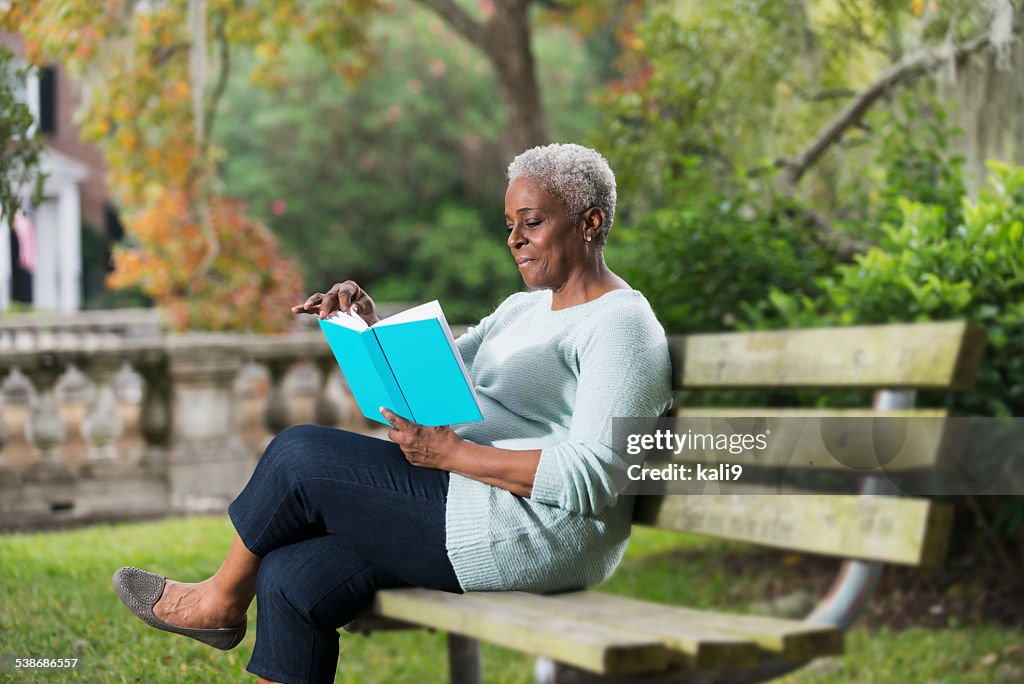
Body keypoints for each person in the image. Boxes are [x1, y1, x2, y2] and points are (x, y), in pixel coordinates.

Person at [113, 143, 672, 684]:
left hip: (538, 532)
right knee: (291, 577)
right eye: (509, 225)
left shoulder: (620, 326)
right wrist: (368, 328)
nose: (515, 240)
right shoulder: (524, 308)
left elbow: (599, 476)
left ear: (590, 222)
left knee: (299, 455)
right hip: (465, 494)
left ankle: (219, 601)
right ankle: (229, 601)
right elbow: (439, 379)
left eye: (531, 222)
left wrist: (453, 453)